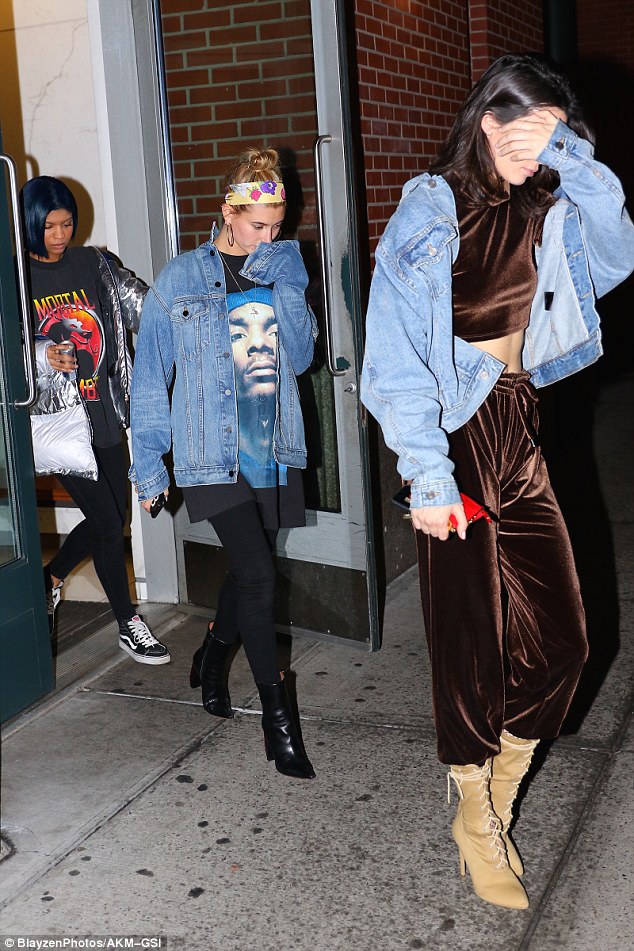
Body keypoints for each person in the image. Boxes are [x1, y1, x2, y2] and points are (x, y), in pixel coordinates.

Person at [361, 54, 634, 909]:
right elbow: (393, 352)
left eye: (560, 135)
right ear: (490, 120)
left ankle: (497, 791)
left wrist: (571, 157)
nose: (544, 150)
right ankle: (476, 811)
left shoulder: (549, 205)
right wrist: (426, 473)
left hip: (517, 421)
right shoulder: (433, 205)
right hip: (454, 431)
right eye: (534, 132)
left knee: (565, 641)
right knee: (469, 634)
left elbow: (617, 254)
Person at [129, 147, 318, 779]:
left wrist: (288, 280)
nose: (268, 236)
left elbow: (300, 358)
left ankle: (213, 653)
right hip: (209, 452)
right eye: (258, 224)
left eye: (277, 225)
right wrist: (149, 464)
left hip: (272, 445)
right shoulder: (180, 279)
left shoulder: (282, 267)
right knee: (260, 574)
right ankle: (278, 722)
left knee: (250, 568)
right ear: (227, 212)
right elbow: (149, 378)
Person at [21, 175, 171, 665]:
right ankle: (128, 622)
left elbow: (144, 307)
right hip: (61, 423)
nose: (59, 235)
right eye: (49, 226)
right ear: (30, 225)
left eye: (67, 224)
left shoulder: (94, 264)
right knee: (107, 522)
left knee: (113, 518)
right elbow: (6, 348)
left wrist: (187, 317)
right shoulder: (16, 278)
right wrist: (43, 355)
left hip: (104, 411)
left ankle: (50, 577)